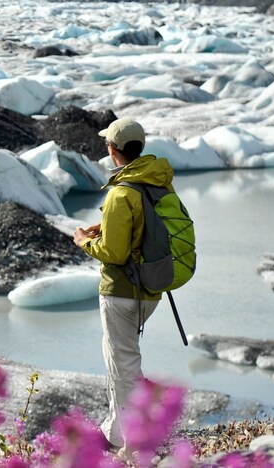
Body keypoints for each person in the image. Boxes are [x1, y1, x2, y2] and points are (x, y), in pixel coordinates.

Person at [72, 117, 176, 451]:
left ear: (112, 150)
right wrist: (106, 225)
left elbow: (114, 254)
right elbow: (148, 228)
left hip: (121, 291)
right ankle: (115, 433)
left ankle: (136, 443)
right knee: (119, 358)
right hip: (151, 288)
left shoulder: (120, 193)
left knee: (123, 364)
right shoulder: (157, 182)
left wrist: (83, 242)